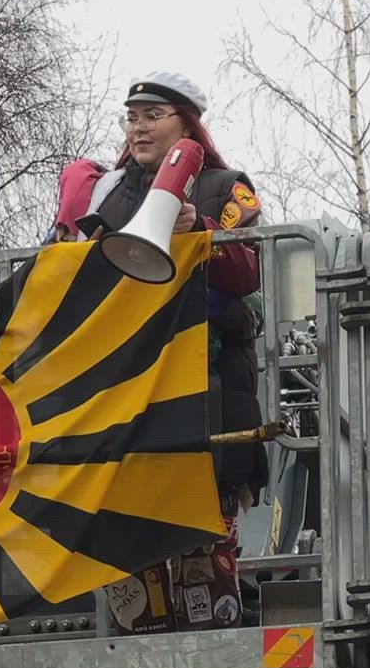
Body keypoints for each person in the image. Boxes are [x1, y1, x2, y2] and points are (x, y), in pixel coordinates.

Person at [52, 72, 268, 632]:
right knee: (130, 541)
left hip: (206, 388)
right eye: (132, 117)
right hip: (124, 385)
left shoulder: (226, 186)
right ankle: (136, 649)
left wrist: (202, 234)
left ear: (187, 125)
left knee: (203, 539)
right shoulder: (107, 191)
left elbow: (249, 270)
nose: (139, 128)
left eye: (153, 116)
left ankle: (213, 644)